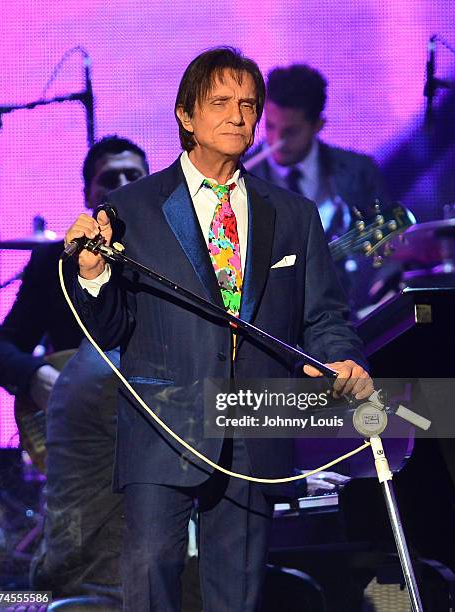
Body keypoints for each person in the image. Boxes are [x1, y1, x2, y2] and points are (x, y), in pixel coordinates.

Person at [65, 47, 373, 612]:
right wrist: (92, 275)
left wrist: (341, 356)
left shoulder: (293, 214)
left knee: (238, 593)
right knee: (152, 584)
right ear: (186, 115)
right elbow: (108, 328)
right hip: (163, 424)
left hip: (255, 424)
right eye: (222, 103)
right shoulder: (131, 207)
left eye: (249, 105)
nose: (238, 116)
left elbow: (325, 315)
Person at [0, 135, 149, 599]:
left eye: (131, 177)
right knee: (82, 579)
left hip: (157, 441)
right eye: (107, 179)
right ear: (87, 196)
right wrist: (39, 376)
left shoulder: (176, 264)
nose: (119, 186)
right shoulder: (51, 264)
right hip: (83, 454)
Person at [246, 64, 389, 313]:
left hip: (345, 314)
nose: (276, 141)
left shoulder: (358, 172)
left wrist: (381, 289)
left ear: (318, 125)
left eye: (290, 132)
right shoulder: (242, 175)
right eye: (269, 126)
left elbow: (388, 247)